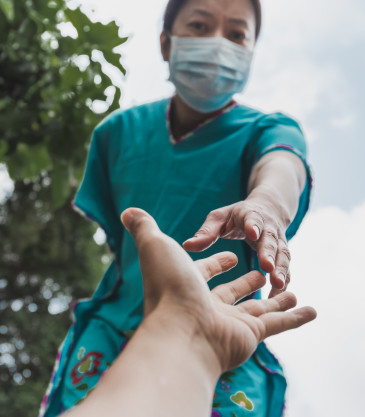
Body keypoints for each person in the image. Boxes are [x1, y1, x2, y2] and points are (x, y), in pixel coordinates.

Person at [39, 0, 313, 415]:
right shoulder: (117, 134)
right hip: (114, 334)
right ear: (166, 43)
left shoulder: (269, 129)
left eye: (237, 34)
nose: (218, 44)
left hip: (224, 333)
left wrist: (268, 204)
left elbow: (283, 165)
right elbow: (121, 239)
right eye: (200, 25)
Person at [63, 208, 317, 417]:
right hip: (114, 334)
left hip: (228, 352)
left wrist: (266, 203)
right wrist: (187, 332)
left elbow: (282, 171)